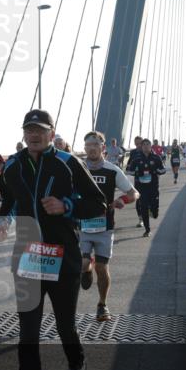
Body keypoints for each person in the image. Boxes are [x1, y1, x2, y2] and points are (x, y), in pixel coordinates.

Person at [0, 109, 106, 370]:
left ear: (51, 133)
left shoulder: (68, 163)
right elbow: (8, 199)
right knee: (28, 334)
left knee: (64, 326)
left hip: (62, 257)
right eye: (29, 129)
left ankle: (76, 363)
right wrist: (3, 220)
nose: (33, 135)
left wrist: (66, 206)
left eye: (40, 130)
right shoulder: (12, 166)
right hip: (27, 259)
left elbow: (97, 203)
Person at [79, 131, 138, 322]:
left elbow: (134, 193)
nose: (91, 148)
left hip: (105, 228)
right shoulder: (77, 168)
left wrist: (122, 200)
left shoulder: (112, 170)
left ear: (103, 148)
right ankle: (86, 268)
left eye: (95, 145)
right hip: (82, 226)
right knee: (84, 263)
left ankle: (102, 304)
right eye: (88, 145)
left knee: (102, 267)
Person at [125, 138, 165, 238]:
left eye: (148, 144)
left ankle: (153, 210)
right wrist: (137, 173)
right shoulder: (136, 158)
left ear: (151, 146)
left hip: (153, 187)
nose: (146, 146)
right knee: (143, 207)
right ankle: (147, 230)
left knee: (155, 214)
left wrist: (155, 171)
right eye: (144, 145)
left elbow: (163, 170)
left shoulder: (156, 158)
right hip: (141, 187)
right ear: (141, 147)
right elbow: (129, 171)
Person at [126, 136, 144, 228]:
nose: (138, 145)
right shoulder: (133, 152)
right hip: (138, 180)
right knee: (139, 199)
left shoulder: (149, 151)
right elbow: (128, 166)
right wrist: (131, 170)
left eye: (140, 143)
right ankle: (141, 219)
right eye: (137, 144)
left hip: (149, 181)